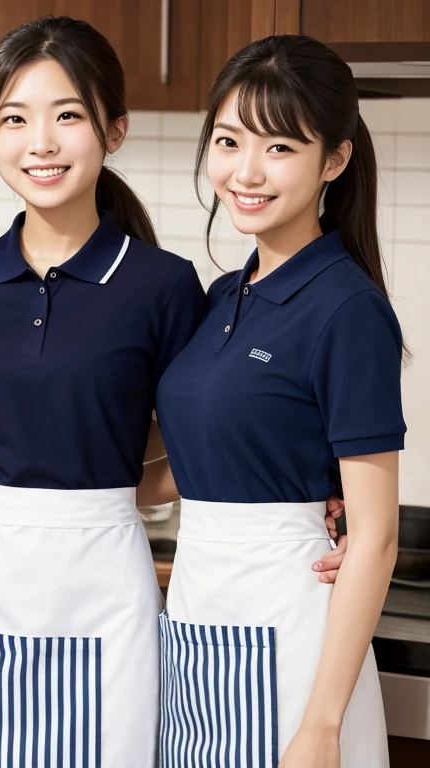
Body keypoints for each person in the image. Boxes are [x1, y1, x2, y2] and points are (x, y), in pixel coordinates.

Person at [0, 18, 346, 768]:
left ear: (114, 131)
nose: (40, 143)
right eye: (15, 119)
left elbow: (203, 431)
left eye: (68, 116)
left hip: (106, 582)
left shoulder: (166, 287)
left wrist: (319, 497)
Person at [147, 34, 405, 768]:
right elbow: (191, 462)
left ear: (335, 160)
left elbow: (378, 537)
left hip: (293, 633)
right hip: (200, 616)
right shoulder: (226, 295)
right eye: (228, 141)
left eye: (281, 147)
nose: (246, 172)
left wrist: (321, 727)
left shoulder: (346, 308)